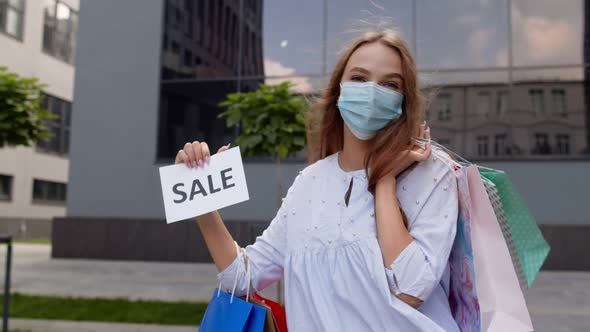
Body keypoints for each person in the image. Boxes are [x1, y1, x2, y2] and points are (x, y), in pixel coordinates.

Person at [175, 30, 460, 331]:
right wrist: (203, 205)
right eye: (360, 78)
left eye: (390, 84)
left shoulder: (432, 172)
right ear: (339, 91)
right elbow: (243, 278)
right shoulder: (309, 182)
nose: (372, 92)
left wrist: (384, 178)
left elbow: (411, 287)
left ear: (404, 100)